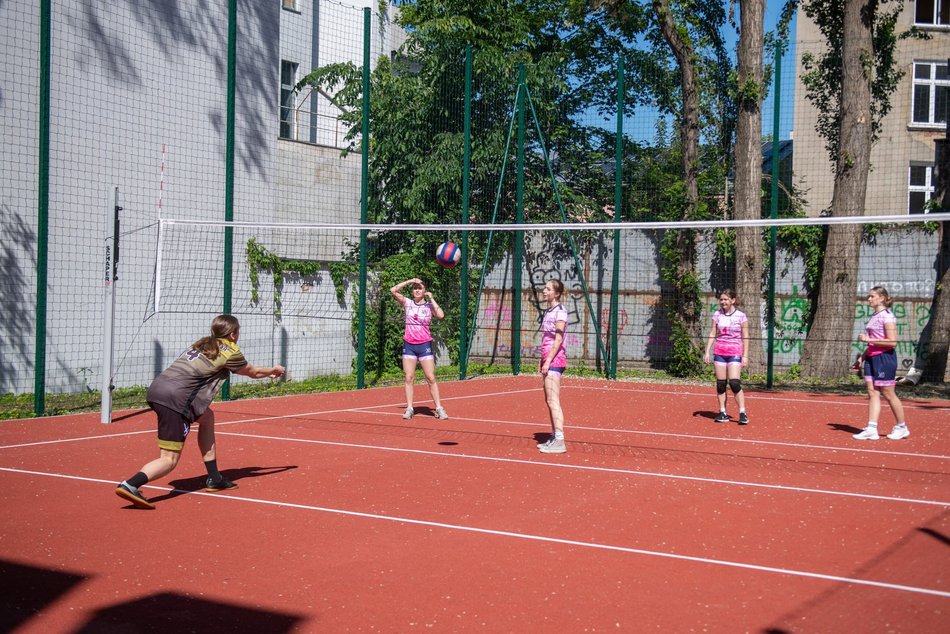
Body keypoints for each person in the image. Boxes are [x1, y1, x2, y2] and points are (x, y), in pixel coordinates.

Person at [114, 314, 285, 509]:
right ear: (232, 334)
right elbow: (253, 372)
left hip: (157, 389)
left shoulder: (202, 343)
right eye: (238, 331)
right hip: (176, 399)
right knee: (169, 459)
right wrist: (273, 370)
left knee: (207, 417)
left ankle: (214, 477)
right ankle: (130, 485)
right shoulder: (230, 351)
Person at [853, 286, 910, 440]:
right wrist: (861, 358)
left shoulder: (887, 316)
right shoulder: (874, 315)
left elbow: (892, 342)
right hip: (871, 358)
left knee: (888, 393)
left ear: (882, 298)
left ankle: (902, 427)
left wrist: (868, 339)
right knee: (872, 392)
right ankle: (871, 429)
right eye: (869, 296)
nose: (869, 299)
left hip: (884, 358)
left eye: (872, 296)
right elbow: (872, 343)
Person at [390, 277, 448, 420]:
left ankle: (439, 408)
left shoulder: (429, 306)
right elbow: (393, 290)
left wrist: (432, 298)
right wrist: (410, 281)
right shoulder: (408, 303)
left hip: (424, 345)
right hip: (409, 345)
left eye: (419, 288)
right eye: (414, 288)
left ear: (425, 290)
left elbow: (441, 315)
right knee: (409, 377)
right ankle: (410, 408)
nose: (416, 290)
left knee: (430, 377)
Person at [703, 289, 750, 424]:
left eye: (726, 299)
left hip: (735, 352)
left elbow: (746, 336)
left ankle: (742, 413)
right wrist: (707, 351)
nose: (723, 302)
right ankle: (722, 412)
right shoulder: (717, 315)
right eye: (721, 299)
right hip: (720, 352)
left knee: (734, 383)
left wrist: (745, 356)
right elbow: (713, 333)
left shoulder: (741, 316)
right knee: (721, 384)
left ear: (732, 300)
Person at [537, 279, 569, 454]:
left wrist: (548, 360)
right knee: (548, 400)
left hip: (555, 360)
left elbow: (558, 339)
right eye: (544, 288)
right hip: (547, 359)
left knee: (553, 400)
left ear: (556, 293)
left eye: (548, 289)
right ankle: (554, 436)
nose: (544, 291)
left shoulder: (560, 311)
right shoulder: (548, 311)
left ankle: (560, 440)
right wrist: (542, 360)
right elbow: (546, 339)